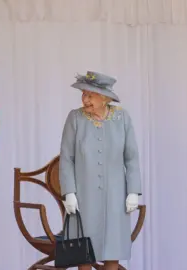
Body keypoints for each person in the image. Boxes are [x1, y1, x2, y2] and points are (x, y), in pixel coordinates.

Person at [59, 71, 142, 270]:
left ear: (104, 98)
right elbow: (67, 158)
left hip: (115, 196)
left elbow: (131, 158)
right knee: (83, 254)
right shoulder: (75, 118)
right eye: (83, 94)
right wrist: (69, 192)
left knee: (113, 251)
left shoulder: (122, 118)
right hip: (83, 197)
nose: (84, 99)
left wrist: (133, 191)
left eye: (90, 95)